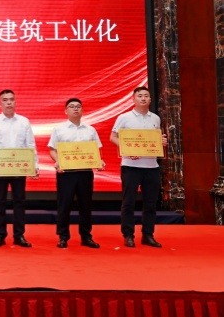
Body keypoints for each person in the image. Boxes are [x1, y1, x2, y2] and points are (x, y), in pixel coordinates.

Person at [110, 86, 168, 248]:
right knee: (129, 202)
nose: (143, 98)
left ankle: (148, 235)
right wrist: (126, 150)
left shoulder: (155, 118)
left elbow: (156, 139)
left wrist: (161, 142)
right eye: (140, 96)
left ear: (150, 99)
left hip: (152, 166)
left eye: (146, 96)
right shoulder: (124, 117)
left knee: (150, 203)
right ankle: (128, 235)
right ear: (133, 99)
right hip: (131, 166)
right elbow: (113, 137)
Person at [0, 89, 37, 248]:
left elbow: (30, 145)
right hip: (0, 169)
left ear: (15, 101)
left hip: (19, 168)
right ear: (0, 103)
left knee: (19, 202)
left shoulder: (24, 121)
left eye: (11, 99)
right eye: (5, 100)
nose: (8, 103)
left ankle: (19, 236)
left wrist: (34, 165)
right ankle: (0, 236)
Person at [47, 98, 102, 249]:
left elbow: (96, 151)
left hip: (85, 172)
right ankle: (63, 237)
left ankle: (86, 236)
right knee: (64, 205)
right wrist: (58, 161)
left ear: (82, 110)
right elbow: (52, 150)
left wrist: (99, 161)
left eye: (78, 106)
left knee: (86, 205)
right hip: (66, 173)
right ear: (66, 111)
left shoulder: (90, 130)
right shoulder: (59, 129)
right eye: (71, 106)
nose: (75, 109)